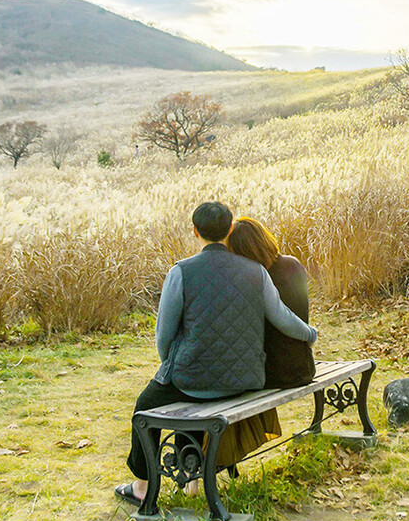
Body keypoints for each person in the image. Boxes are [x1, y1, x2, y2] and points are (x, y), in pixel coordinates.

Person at [115, 201, 317, 505]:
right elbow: (283, 318)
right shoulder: (257, 272)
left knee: (146, 406)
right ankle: (191, 472)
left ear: (195, 231)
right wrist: (310, 334)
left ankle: (142, 487)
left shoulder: (181, 271)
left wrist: (170, 367)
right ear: (231, 228)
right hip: (245, 381)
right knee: (188, 392)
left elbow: (164, 335)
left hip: (193, 379)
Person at [215, 217, 317, 467]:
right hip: (303, 368)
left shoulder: (251, 279)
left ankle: (215, 459)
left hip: (268, 374)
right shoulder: (293, 265)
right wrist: (310, 334)